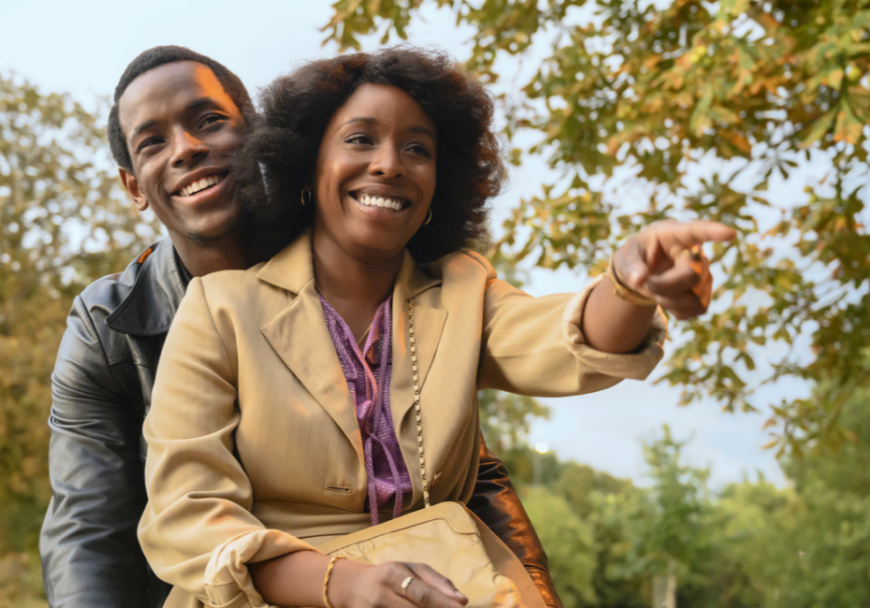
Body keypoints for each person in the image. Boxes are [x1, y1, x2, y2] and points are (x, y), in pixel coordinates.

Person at [137, 46, 736, 608]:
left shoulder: (463, 289)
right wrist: (341, 585)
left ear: (435, 193)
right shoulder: (220, 308)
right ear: (306, 166)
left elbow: (561, 341)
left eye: (416, 150)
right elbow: (188, 515)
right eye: (360, 140)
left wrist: (629, 285)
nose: (389, 164)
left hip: (453, 583)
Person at [39, 46, 564, 608]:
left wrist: (533, 593)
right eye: (152, 142)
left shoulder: (364, 265)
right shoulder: (105, 331)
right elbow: (88, 526)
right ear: (133, 186)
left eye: (210, 122)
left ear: (262, 138)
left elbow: (463, 469)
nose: (187, 149)